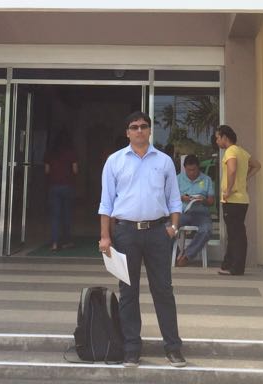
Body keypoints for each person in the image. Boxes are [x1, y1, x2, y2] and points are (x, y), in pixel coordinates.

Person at [98, 111, 186, 369]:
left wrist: (173, 227)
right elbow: (106, 202)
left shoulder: (164, 161)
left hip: (158, 233)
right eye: (134, 127)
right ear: (127, 132)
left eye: (144, 126)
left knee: (164, 291)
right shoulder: (114, 161)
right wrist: (105, 236)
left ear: (149, 130)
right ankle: (131, 349)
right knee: (128, 292)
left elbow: (174, 198)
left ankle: (173, 348)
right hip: (126, 233)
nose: (139, 130)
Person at [215, 125, 261, 276]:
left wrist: (228, 190)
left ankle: (236, 268)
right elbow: (257, 165)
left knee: (235, 235)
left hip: (233, 200)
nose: (217, 141)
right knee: (237, 233)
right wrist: (244, 178)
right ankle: (228, 265)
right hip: (242, 200)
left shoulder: (230, 151)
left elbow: (232, 169)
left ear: (224, 137)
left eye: (217, 138)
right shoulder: (241, 151)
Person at [174, 154, 215, 267]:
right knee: (167, 228)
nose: (191, 173)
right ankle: (177, 254)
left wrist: (203, 200)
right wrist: (181, 198)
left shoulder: (206, 179)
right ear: (185, 168)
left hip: (201, 214)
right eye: (189, 170)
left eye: (194, 170)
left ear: (198, 168)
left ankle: (187, 255)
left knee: (206, 230)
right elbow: (170, 198)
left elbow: (211, 201)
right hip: (183, 213)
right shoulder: (178, 179)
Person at [44, 130, 79, 251]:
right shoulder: (71, 153)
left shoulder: (50, 153)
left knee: (55, 215)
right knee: (67, 214)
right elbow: (75, 170)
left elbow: (47, 170)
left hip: (54, 186)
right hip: (68, 186)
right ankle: (67, 241)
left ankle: (54, 243)